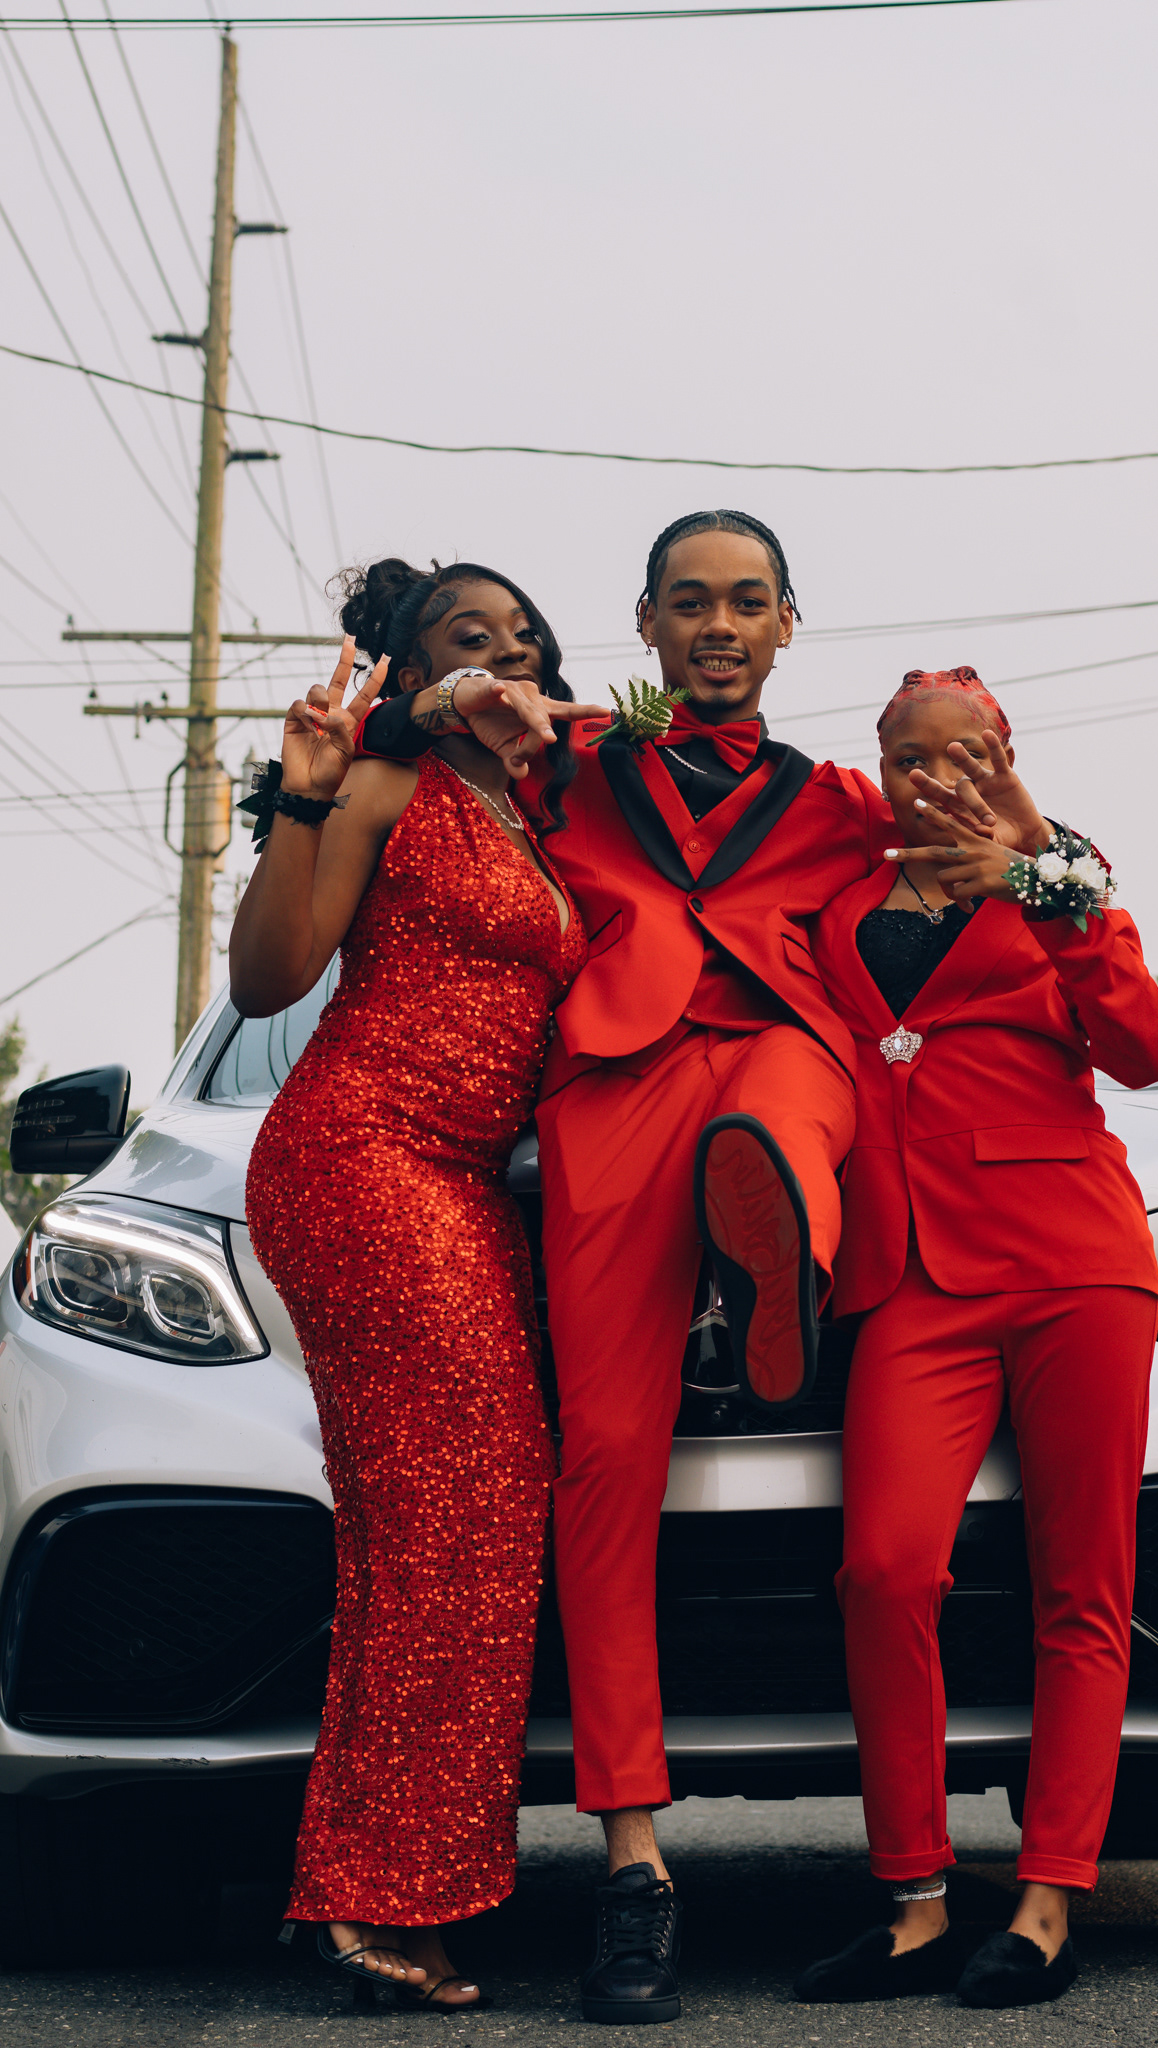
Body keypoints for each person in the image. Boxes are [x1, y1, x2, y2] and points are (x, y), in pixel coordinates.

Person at [350, 510, 895, 2025]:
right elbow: (400, 729)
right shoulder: (569, 759)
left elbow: (972, 860)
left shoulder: (843, 803)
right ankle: (635, 1866)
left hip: (779, 1048)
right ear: (645, 625)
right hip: (616, 1082)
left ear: (787, 623)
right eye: (689, 603)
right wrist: (479, 693)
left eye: (747, 603)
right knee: (600, 1463)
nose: (718, 626)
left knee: (788, 1107)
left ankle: (775, 1256)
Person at [230, 558, 605, 2010]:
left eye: (523, 636)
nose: (506, 654)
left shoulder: (542, 810)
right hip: (365, 1154)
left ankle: (373, 1880)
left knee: (448, 1529)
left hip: (472, 1187)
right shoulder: (388, 789)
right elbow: (270, 979)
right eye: (468, 637)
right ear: (415, 671)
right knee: (456, 1521)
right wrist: (305, 795)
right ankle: (381, 1894)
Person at [794, 667, 1158, 2011]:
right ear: (879, 765)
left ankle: (1047, 1900)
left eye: (966, 755)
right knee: (883, 1572)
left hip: (1074, 1262)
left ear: (1005, 758)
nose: (937, 779)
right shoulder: (836, 904)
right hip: (911, 1276)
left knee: (1082, 1588)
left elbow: (1145, 1050)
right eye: (911, 756)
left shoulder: (1064, 882)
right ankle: (912, 1900)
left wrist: (1046, 879)